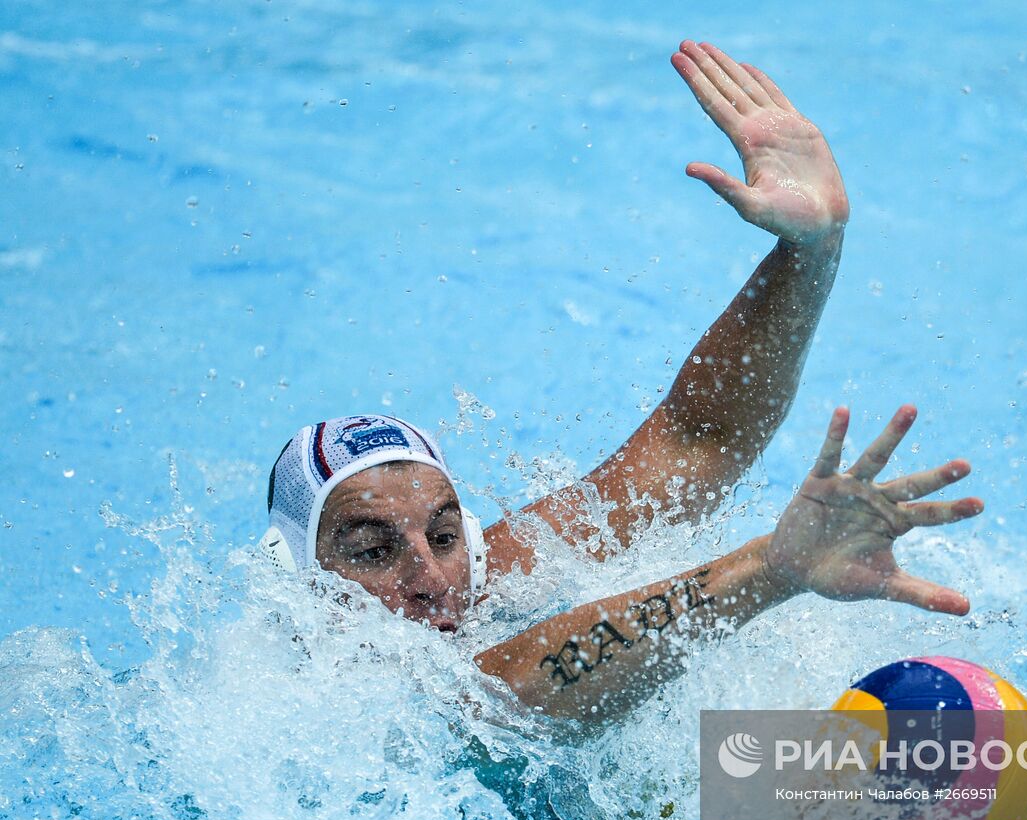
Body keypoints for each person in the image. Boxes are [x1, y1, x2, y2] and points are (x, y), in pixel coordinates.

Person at [260, 41, 983, 723]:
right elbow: (502, 693)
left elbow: (701, 439)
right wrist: (769, 566)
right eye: (374, 550)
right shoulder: (282, 709)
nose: (431, 578)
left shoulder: (494, 573)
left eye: (444, 535)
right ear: (300, 580)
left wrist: (814, 249)